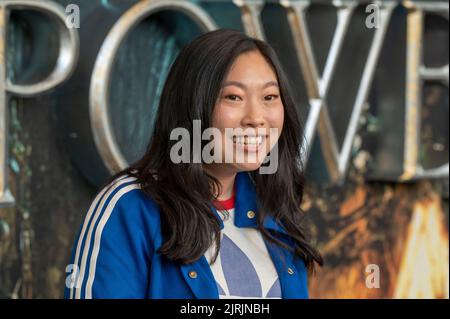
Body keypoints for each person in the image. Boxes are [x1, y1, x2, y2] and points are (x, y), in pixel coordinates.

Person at [64, 29, 323, 299]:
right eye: (233, 97)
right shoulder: (130, 206)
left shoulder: (274, 211)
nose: (256, 118)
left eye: (269, 97)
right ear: (191, 105)